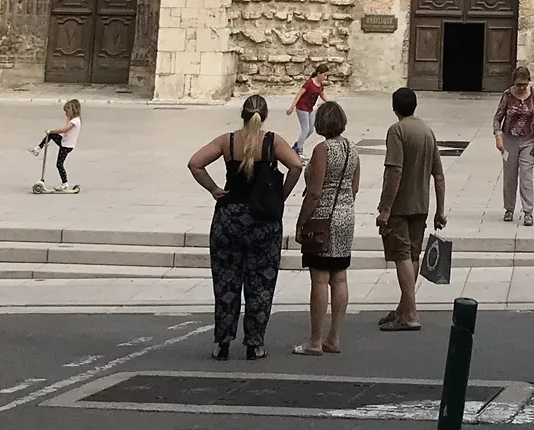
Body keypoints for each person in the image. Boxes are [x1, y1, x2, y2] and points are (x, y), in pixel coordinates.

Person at [188, 93, 304, 360]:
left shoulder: (227, 142)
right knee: (261, 283)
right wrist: (281, 195)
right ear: (263, 116)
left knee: (226, 283)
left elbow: (195, 163)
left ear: (242, 114)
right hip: (263, 219)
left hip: (229, 217)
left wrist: (214, 189)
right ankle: (255, 344)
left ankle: (222, 343)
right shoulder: (272, 142)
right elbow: (296, 165)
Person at [374, 86, 447, 331]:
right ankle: (404, 307)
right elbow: (438, 174)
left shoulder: (397, 131)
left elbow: (395, 170)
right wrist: (440, 209)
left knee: (402, 256)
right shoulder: (427, 131)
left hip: (401, 205)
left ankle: (410, 314)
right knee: (413, 256)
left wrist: (385, 208)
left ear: (394, 108)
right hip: (421, 205)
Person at [291, 100, 359, 356]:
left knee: (319, 278)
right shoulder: (352, 148)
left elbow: (315, 193)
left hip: (322, 219)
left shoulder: (322, 150)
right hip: (346, 216)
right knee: (339, 276)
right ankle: (335, 337)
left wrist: (301, 222)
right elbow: (354, 187)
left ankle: (315, 340)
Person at [493, 64, 534, 225]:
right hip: (509, 139)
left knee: (526, 176)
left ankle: (528, 211)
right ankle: (509, 209)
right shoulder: (507, 95)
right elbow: (497, 117)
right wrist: (498, 136)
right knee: (509, 176)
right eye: (519, 85)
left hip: (529, 140)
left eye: (524, 84)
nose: (522, 88)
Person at [34, 98, 82, 187]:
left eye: (67, 111)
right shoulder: (72, 119)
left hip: (67, 146)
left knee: (59, 164)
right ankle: (38, 148)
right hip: (64, 142)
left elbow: (64, 130)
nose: (66, 114)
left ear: (73, 111)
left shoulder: (75, 121)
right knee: (51, 135)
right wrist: (51, 133)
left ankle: (65, 183)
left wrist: (51, 131)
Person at [293, 63, 330, 156]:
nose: (325, 77)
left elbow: (322, 95)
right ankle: (299, 150)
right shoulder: (309, 83)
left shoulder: (320, 85)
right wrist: (292, 106)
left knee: (311, 130)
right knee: (305, 129)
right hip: (302, 108)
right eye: (324, 75)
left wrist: (330, 103)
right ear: (318, 73)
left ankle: (297, 145)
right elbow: (300, 94)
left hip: (310, 109)